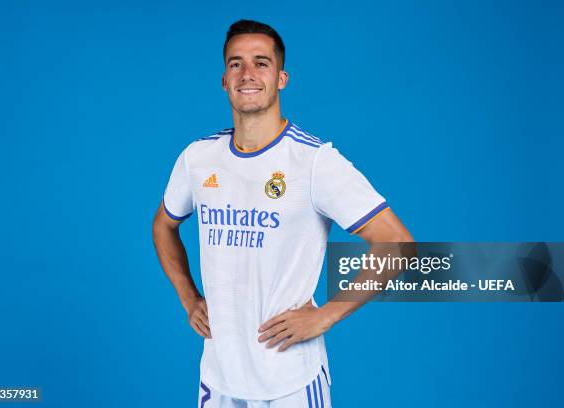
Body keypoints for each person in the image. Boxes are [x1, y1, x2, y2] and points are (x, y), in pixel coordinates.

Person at [152, 19, 413, 407]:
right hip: (219, 379)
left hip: (290, 381)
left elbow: (397, 243)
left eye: (261, 62)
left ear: (281, 79)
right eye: (236, 63)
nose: (248, 74)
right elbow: (163, 226)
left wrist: (325, 316)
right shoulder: (198, 158)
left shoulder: (314, 163)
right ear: (224, 80)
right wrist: (190, 298)